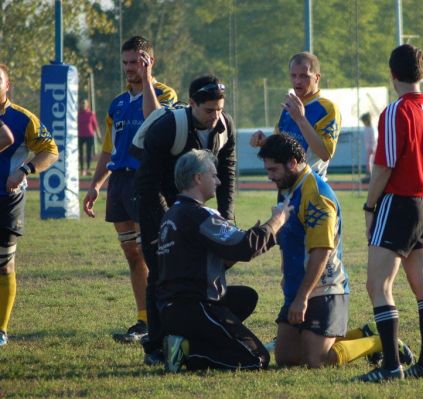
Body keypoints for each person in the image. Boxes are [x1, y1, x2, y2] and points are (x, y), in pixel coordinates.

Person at [257, 134, 415, 369]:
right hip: (298, 287)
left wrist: (302, 298)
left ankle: (380, 340)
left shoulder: (316, 196)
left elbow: (322, 251)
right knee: (287, 359)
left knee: (317, 359)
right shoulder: (290, 187)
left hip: (325, 288)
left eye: (273, 170)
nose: (270, 176)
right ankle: (364, 332)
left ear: (292, 162)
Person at [354, 44, 423, 382]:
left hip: (398, 203)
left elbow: (384, 166)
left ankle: (390, 367)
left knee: (378, 285)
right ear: (422, 73)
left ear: (392, 74)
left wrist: (370, 206)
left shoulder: (395, 111)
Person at [157, 149, 291, 372]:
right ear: (198, 178)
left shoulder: (173, 213)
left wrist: (248, 238)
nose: (219, 181)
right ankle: (188, 354)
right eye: (214, 175)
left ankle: (186, 341)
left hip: (172, 309)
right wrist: (277, 221)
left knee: (245, 297)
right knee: (256, 359)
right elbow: (245, 247)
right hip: (194, 306)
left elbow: (210, 257)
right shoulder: (198, 215)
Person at [134, 74, 236, 364]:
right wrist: (169, 224)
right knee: (161, 276)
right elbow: (147, 183)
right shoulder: (167, 128)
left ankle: (201, 335)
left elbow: (227, 173)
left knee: (205, 271)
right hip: (157, 204)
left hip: (194, 208)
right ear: (191, 104)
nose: (215, 117)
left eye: (219, 108)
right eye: (208, 110)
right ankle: (155, 346)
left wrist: (227, 217)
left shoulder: (225, 125)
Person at [82, 36, 177, 344]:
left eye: (135, 62)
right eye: (125, 63)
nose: (129, 69)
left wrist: (147, 80)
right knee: (132, 253)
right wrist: (95, 185)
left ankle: (164, 317)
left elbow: (155, 120)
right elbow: (108, 150)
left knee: (153, 252)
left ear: (149, 61)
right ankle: (143, 319)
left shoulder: (164, 93)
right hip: (120, 183)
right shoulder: (117, 103)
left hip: (147, 180)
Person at [0, 63, 59, 346]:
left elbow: (50, 150)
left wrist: (24, 170)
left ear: (7, 86)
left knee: (4, 264)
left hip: (7, 200)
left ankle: (1, 329)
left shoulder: (23, 119)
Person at [250, 52, 341, 179]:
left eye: (304, 76)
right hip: (286, 183)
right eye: (293, 76)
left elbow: (325, 153)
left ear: (317, 78)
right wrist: (264, 141)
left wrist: (300, 119)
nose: (297, 81)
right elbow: (281, 145)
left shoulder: (328, 108)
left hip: (312, 184)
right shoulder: (290, 106)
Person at [77, 99, 98, 176]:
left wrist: (98, 135)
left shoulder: (91, 113)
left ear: (87, 104)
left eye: (84, 103)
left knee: (89, 153)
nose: (83, 105)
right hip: (80, 136)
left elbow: (95, 124)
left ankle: (88, 169)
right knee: (81, 153)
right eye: (82, 103)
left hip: (89, 135)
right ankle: (82, 169)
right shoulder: (77, 114)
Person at [361, 112, 377, 184]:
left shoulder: (372, 128)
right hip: (368, 147)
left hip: (372, 147)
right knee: (368, 161)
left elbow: (373, 139)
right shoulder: (366, 128)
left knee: (370, 161)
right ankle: (369, 173)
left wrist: (373, 147)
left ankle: (371, 174)